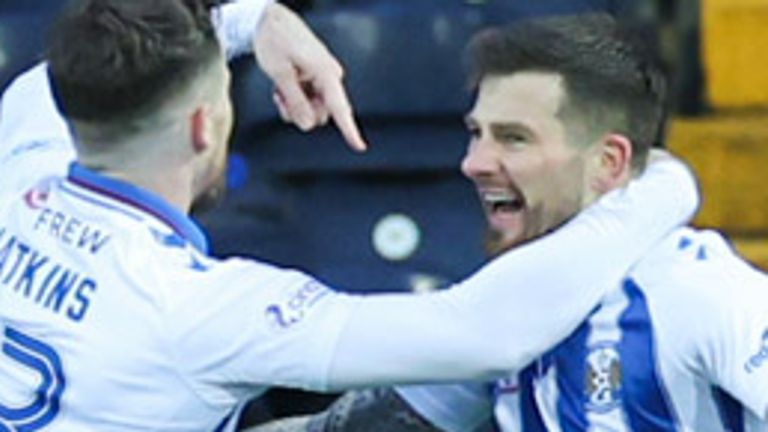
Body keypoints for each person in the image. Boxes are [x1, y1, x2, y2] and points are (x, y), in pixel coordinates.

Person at [0, 2, 699, 431]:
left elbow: (53, 80)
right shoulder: (198, 310)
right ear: (204, 128)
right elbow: (491, 333)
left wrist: (256, 21)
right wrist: (666, 183)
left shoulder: (21, 167)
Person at [248, 14, 768, 432]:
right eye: (476, 133)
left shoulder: (702, 296)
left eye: (514, 138)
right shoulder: (510, 311)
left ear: (609, 162)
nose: (474, 162)